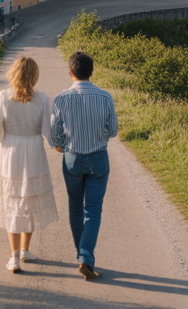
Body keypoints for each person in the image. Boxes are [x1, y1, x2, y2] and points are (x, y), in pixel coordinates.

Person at [50, 51, 118, 280]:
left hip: (72, 158)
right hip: (98, 156)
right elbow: (114, 131)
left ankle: (83, 255)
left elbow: (55, 135)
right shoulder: (105, 97)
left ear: (70, 72)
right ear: (92, 71)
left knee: (75, 206)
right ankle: (85, 258)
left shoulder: (61, 99)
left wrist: (61, 145)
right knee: (94, 209)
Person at [0, 56, 59, 273]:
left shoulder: (1, 97)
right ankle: (24, 250)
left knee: (12, 203)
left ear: (14, 73)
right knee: (28, 201)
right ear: (34, 75)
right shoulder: (43, 98)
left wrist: (6, 138)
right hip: (34, 151)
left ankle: (15, 257)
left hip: (10, 151)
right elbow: (49, 133)